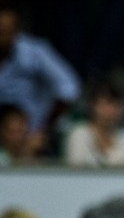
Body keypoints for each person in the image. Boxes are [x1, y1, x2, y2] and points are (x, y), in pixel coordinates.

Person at [0, 1, 80, 158]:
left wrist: (44, 128)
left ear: (17, 31)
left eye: (7, 31)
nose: (2, 37)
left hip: (30, 136)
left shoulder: (34, 52)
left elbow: (69, 88)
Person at [64, 83, 124, 168]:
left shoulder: (122, 138)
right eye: (106, 104)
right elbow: (75, 170)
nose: (111, 111)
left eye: (115, 105)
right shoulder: (80, 134)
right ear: (93, 106)